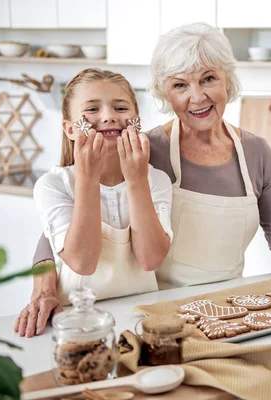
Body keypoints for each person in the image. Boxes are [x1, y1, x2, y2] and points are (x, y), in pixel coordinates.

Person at [16, 23, 271, 338]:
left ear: (228, 81)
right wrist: (44, 289)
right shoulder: (143, 149)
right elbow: (56, 232)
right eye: (180, 85)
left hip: (228, 312)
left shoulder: (256, 153)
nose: (197, 96)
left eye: (209, 79)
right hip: (155, 314)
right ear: (164, 94)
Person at [14, 68, 173, 336]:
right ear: (69, 128)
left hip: (140, 322)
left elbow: (150, 259)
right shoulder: (53, 186)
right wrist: (88, 177)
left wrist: (136, 180)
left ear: (136, 119)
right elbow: (83, 262)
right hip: (76, 324)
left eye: (120, 107)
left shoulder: (155, 181)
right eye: (92, 109)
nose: (109, 116)